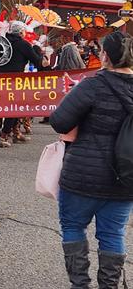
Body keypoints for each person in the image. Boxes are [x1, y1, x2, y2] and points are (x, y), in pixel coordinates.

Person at [50, 31, 133, 289]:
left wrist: (75, 99)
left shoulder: (92, 85)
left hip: (81, 178)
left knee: (73, 227)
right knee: (113, 233)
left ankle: (80, 285)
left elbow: (60, 121)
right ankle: (109, 285)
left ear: (104, 55)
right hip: (125, 179)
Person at [0, 22, 49, 147]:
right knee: (15, 107)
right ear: (20, 33)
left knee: (12, 107)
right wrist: (43, 60)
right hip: (16, 81)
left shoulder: (2, 42)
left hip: (0, 80)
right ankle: (4, 135)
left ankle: (16, 132)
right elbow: (36, 61)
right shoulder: (23, 44)